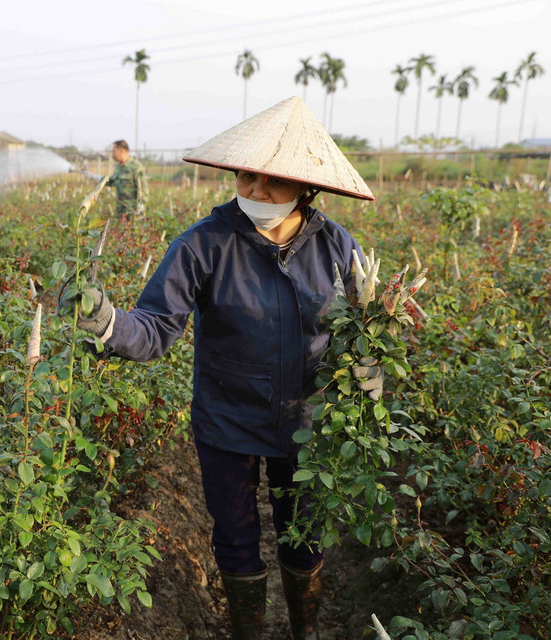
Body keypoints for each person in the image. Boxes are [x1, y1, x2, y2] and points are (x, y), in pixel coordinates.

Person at [59, 97, 381, 640]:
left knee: (303, 537)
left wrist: (370, 370)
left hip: (308, 420)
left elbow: (364, 328)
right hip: (226, 421)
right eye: (244, 177)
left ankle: (305, 631)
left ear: (305, 187)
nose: (253, 191)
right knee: (234, 536)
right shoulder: (203, 244)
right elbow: (157, 326)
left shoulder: (336, 247)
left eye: (270, 182)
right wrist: (109, 323)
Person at [107, 140, 148, 219]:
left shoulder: (136, 166)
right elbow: (113, 181)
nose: (112, 154)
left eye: (114, 151)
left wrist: (140, 207)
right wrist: (99, 179)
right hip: (120, 212)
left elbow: (144, 190)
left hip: (133, 212)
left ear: (121, 150)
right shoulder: (118, 166)